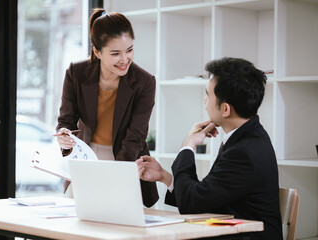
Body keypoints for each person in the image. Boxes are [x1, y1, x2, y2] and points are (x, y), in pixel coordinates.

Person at [136, 57, 283, 239]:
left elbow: (193, 202)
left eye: (208, 95)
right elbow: (207, 197)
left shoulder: (243, 152)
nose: (204, 100)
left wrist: (188, 146)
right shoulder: (249, 135)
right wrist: (165, 177)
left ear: (226, 109)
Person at [55, 8, 158, 207]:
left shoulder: (144, 82)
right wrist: (64, 136)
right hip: (85, 160)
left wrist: (117, 178)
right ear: (97, 51)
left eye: (129, 50)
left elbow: (135, 137)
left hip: (125, 162)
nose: (124, 59)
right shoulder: (76, 73)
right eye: (115, 53)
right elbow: (65, 120)